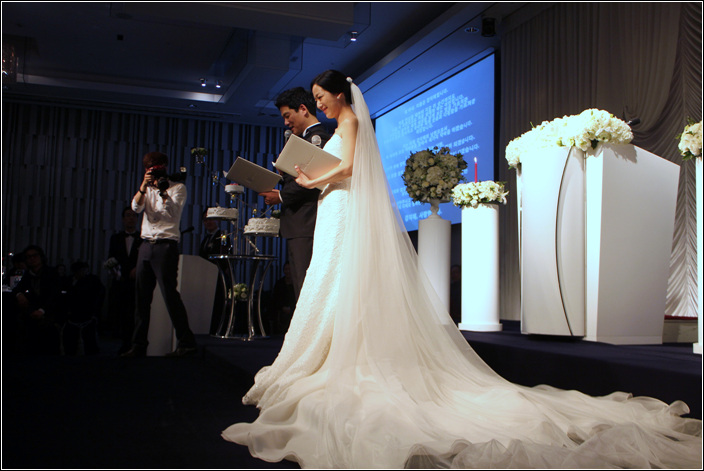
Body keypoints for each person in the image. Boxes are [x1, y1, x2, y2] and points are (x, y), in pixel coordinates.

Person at [222, 71, 701, 468]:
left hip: (338, 200)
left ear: (340, 96)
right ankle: (321, 350)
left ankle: (326, 355)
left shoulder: (348, 122)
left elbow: (347, 169)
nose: (319, 104)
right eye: (316, 99)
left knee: (332, 279)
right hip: (335, 207)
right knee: (330, 281)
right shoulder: (344, 121)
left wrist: (311, 179)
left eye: (322, 97)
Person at [121, 151, 197, 358]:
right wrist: (143, 186)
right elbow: (135, 208)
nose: (154, 172)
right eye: (150, 169)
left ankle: (187, 343)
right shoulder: (146, 189)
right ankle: (138, 345)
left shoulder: (178, 188)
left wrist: (163, 191)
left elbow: (172, 213)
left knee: (170, 295)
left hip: (165, 246)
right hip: (146, 245)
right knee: (141, 298)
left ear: (164, 166)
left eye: (157, 167)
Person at [258, 87, 331, 301]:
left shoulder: (317, 138)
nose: (286, 122)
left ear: (303, 109)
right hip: (299, 223)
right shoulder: (302, 140)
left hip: (306, 221)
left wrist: (281, 196)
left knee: (306, 286)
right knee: (300, 284)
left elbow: (313, 181)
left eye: (287, 116)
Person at [10, 245, 62, 355]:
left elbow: (54, 295)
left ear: (41, 257)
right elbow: (17, 288)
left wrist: (42, 310)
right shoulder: (28, 275)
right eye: (29, 257)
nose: (32, 259)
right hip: (32, 313)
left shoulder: (51, 273)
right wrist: (19, 294)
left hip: (49, 314)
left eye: (34, 256)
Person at [107, 206, 142, 354]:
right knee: (120, 313)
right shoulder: (115, 238)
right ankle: (124, 343)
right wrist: (116, 272)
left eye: (134, 215)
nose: (131, 218)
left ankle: (135, 343)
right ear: (123, 219)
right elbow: (111, 258)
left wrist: (138, 269)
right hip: (120, 282)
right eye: (128, 215)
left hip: (137, 282)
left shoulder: (143, 238)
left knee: (134, 314)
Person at [59, 260, 104, 355]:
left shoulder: (92, 281)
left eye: (84, 270)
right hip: (72, 315)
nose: (83, 273)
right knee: (70, 342)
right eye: (81, 270)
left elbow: (98, 296)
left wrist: (95, 312)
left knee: (90, 341)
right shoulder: (68, 281)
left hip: (87, 314)